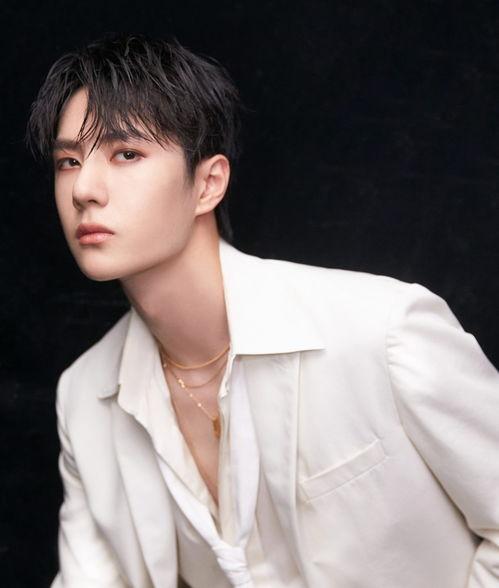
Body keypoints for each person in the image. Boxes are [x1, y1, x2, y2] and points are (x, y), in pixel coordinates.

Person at [26, 33, 499, 588]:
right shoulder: (84, 396)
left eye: (125, 154)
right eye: (68, 161)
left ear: (208, 183)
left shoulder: (383, 331)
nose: (83, 188)